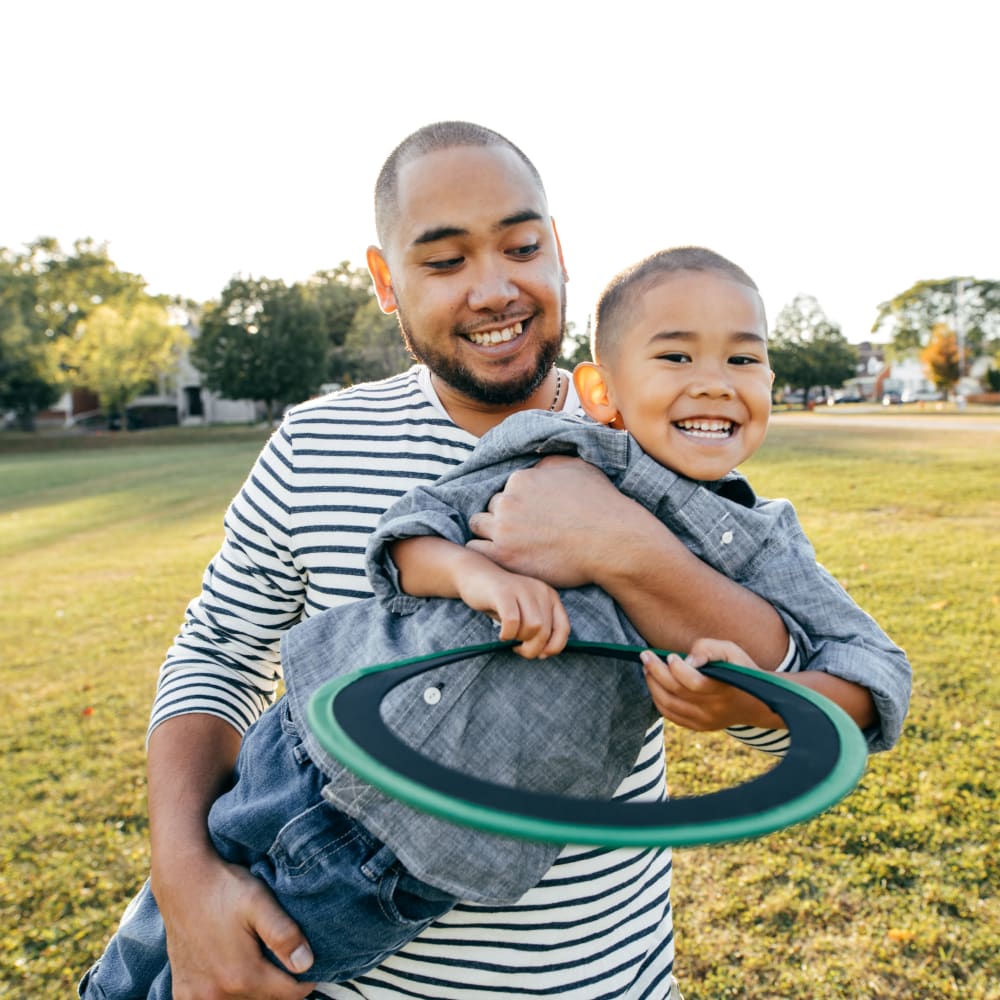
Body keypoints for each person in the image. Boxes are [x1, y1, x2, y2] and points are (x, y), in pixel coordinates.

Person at [81, 123, 904, 1000]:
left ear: (559, 250)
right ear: (385, 281)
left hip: (589, 975)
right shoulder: (315, 446)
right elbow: (214, 656)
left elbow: (785, 707)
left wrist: (621, 549)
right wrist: (182, 877)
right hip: (299, 819)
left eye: (522, 246)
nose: (494, 289)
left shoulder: (677, 449)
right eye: (444, 262)